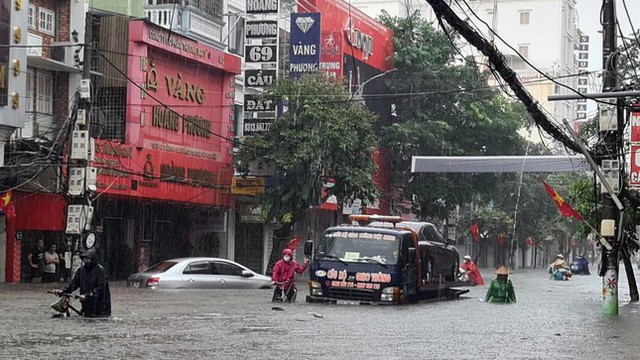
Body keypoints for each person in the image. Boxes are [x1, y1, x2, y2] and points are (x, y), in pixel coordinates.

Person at [54, 249, 111, 317]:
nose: (86, 261)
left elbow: (101, 289)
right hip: (86, 306)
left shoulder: (100, 271)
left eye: (88, 259)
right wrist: (63, 291)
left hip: (101, 307)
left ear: (93, 260)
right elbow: (73, 284)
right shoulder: (81, 271)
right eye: (85, 259)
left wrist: (86, 295)